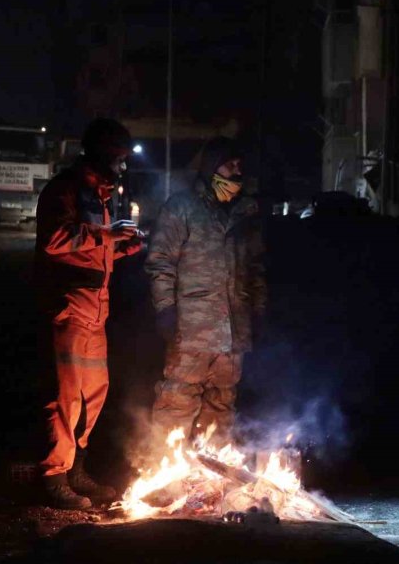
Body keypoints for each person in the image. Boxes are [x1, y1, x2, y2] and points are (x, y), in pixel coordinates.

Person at [34, 117, 142, 510]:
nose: (123, 166)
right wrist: (107, 237)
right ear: (101, 154)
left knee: (94, 395)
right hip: (68, 309)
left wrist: (122, 247)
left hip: (96, 311)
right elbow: (54, 240)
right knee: (65, 399)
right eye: (119, 157)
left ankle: (77, 469)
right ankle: (54, 476)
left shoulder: (102, 197)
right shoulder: (65, 190)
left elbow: (93, 247)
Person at [145, 136, 266, 449]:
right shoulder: (182, 209)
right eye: (229, 164)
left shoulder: (246, 216)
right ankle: (164, 481)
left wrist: (259, 314)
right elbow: (160, 264)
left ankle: (211, 485)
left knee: (221, 408)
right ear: (211, 168)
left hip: (233, 335)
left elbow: (255, 272)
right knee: (177, 404)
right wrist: (165, 310)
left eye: (239, 165)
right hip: (191, 332)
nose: (236, 171)